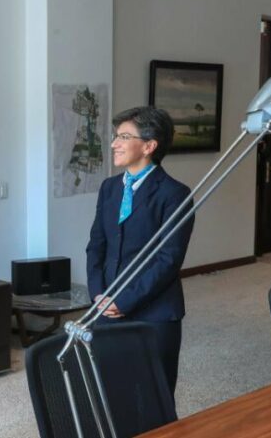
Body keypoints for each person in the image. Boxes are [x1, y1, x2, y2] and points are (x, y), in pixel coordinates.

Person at [85, 106, 194, 397]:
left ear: (149, 145)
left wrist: (123, 300)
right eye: (115, 136)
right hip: (105, 307)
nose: (113, 144)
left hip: (154, 313)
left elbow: (168, 260)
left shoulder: (175, 194)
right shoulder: (109, 188)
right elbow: (96, 246)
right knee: (111, 392)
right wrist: (98, 294)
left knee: (152, 395)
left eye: (123, 137)